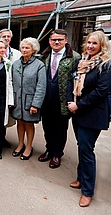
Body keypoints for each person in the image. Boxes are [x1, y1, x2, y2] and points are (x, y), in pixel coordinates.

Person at [67, 31, 111, 207]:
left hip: (92, 114)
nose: (91, 46)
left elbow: (101, 92)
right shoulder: (82, 61)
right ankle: (80, 178)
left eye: (95, 43)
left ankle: (87, 191)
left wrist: (79, 105)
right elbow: (73, 79)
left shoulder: (105, 65)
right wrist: (72, 100)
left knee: (86, 150)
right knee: (82, 147)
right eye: (89, 42)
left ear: (101, 45)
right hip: (78, 112)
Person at [38, 29, 80, 169]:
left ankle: (57, 154)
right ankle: (49, 149)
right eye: (53, 40)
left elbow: (77, 81)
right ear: (49, 41)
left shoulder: (74, 57)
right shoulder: (44, 56)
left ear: (66, 41)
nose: (56, 42)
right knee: (47, 127)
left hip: (62, 100)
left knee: (60, 129)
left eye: (60, 40)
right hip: (46, 99)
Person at [11, 37, 46, 160]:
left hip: (30, 101)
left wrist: (36, 104)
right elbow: (11, 83)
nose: (24, 50)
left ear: (33, 50)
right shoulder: (15, 64)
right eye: (23, 47)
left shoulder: (39, 65)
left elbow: (41, 86)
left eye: (27, 48)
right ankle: (20, 144)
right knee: (19, 122)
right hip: (17, 100)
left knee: (29, 124)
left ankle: (29, 147)